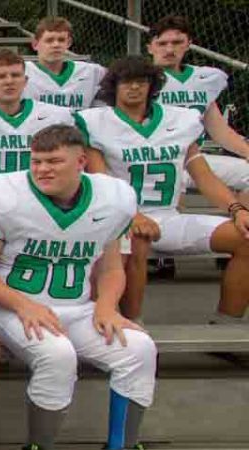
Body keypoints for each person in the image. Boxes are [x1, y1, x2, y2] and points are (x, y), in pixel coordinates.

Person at [0, 124, 154, 450]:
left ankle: (121, 447)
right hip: (11, 307)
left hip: (79, 309)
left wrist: (107, 305)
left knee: (139, 349)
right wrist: (24, 305)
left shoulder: (114, 198)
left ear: (81, 161)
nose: (42, 169)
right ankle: (41, 448)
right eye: (36, 161)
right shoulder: (2, 195)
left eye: (53, 161)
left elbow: (111, 267)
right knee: (58, 354)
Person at [76, 57, 249, 325]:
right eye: (126, 82)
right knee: (136, 239)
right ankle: (134, 323)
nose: (134, 88)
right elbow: (99, 180)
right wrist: (130, 215)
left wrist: (237, 210)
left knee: (245, 237)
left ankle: (228, 323)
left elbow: (203, 176)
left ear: (152, 85)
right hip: (118, 218)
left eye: (141, 82)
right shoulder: (96, 121)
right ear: (114, 87)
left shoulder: (180, 120)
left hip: (168, 216)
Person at [147, 14, 249, 193]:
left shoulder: (204, 78)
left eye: (177, 42)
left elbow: (219, 131)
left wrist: (247, 152)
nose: (169, 49)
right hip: (156, 161)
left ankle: (239, 218)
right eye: (162, 44)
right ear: (150, 47)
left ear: (188, 44)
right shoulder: (139, 80)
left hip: (196, 158)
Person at [0, 49, 74, 190]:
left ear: (25, 81)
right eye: (1, 76)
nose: (9, 81)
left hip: (40, 197)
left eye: (15, 75)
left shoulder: (54, 116)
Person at [23, 17, 106, 111]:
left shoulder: (93, 72)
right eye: (49, 40)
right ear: (35, 44)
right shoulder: (22, 72)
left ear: (69, 43)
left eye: (61, 40)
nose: (56, 45)